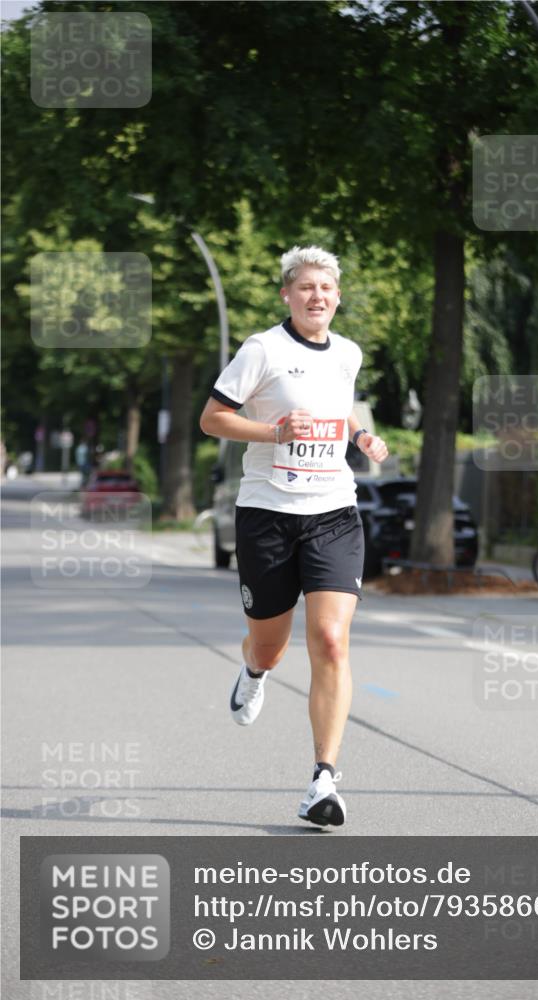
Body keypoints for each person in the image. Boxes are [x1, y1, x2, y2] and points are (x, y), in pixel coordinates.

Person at [199, 245, 388, 827]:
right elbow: (212, 419)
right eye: (306, 287)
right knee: (270, 645)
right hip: (268, 515)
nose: (317, 297)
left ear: (337, 296)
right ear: (288, 293)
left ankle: (323, 781)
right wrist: (272, 430)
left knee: (330, 641)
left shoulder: (348, 353)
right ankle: (254, 672)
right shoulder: (262, 349)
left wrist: (363, 439)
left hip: (333, 511)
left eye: (326, 289)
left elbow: (345, 407)